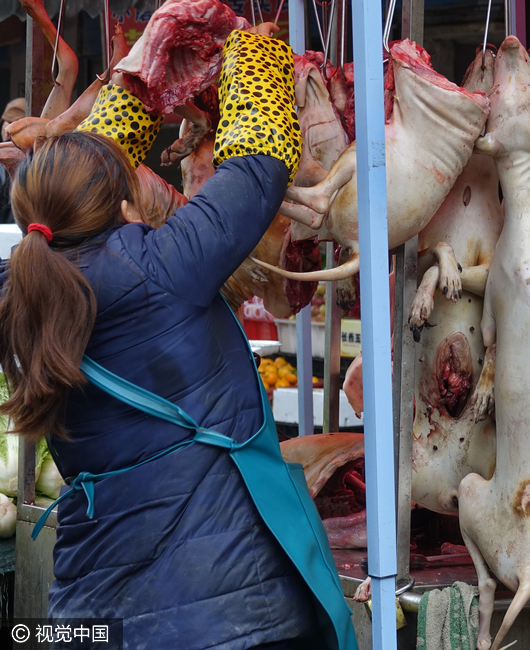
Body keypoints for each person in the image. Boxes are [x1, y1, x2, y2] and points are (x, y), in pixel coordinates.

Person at [0, 27, 354, 650]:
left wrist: (147, 80)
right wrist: (256, 54)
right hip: (224, 616)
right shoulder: (166, 266)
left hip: (84, 620)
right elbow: (260, 167)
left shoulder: (18, 285)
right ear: (123, 206)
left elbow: (78, 189)